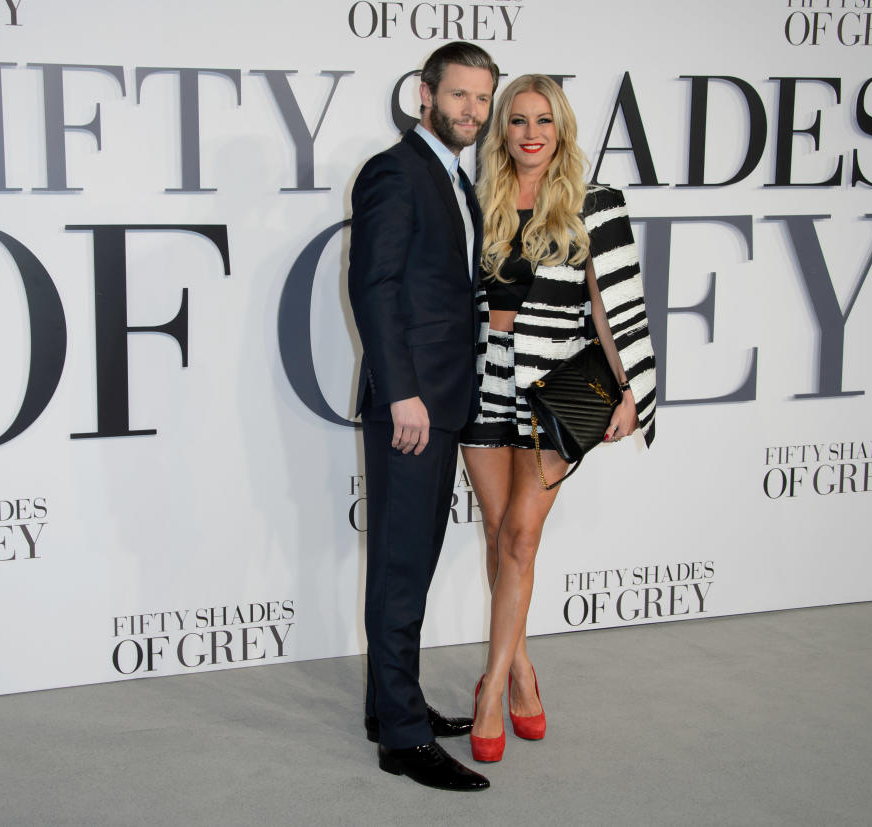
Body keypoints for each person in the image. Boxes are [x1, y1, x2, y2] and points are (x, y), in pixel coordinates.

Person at [460, 74, 658, 763]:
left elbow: (611, 306)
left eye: (544, 119)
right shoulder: (480, 198)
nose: (531, 132)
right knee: (497, 534)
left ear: (562, 126)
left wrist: (629, 389)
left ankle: (489, 695)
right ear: (502, 131)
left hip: (551, 391)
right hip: (482, 385)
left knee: (520, 537)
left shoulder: (593, 201)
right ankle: (517, 670)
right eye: (517, 120)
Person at [348, 42, 499, 792]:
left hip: (444, 399)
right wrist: (401, 389)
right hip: (412, 405)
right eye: (459, 96)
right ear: (424, 95)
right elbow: (372, 287)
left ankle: (388, 705)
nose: (471, 111)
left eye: (482, 100)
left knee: (411, 562)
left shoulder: (456, 182)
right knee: (403, 570)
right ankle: (403, 739)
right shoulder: (396, 172)